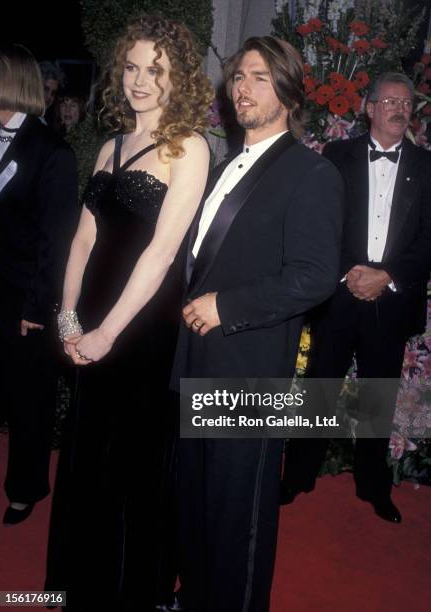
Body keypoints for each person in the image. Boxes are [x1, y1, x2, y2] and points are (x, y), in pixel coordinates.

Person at [45, 14, 213, 612]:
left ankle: (127, 593)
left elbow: (163, 252)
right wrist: (68, 320)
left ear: (178, 79)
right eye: (134, 67)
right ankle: (79, 589)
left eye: (156, 70)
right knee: (89, 458)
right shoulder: (111, 146)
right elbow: (82, 242)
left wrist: (107, 334)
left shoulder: (187, 145)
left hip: (141, 328)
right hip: (91, 322)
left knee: (133, 465)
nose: (141, 81)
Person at [170, 36, 344, 612]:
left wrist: (227, 307)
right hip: (198, 362)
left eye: (260, 78)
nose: (242, 87)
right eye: (239, 76)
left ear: (290, 93)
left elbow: (315, 277)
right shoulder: (223, 167)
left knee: (238, 518)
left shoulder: (310, 173)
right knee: (196, 504)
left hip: (251, 372)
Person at [281, 72, 431, 523]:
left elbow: (428, 238)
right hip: (341, 292)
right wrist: (352, 273)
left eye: (406, 103)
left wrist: (386, 276)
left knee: (377, 395)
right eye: (389, 102)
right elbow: (323, 222)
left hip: (393, 296)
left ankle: (372, 484)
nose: (399, 109)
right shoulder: (337, 154)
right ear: (369, 108)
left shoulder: (427, 166)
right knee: (319, 388)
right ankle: (298, 475)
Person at [0, 44, 78, 525]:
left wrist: (36, 304)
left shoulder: (52, 151)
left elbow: (58, 237)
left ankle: (25, 488)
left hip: (24, 298)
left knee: (27, 398)